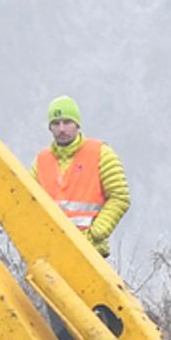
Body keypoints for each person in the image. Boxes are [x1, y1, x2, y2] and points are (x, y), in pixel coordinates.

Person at [33, 96, 131, 255]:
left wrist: (96, 233)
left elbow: (120, 196)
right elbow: (28, 201)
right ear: (50, 128)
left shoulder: (101, 153)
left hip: (90, 252)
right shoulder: (41, 161)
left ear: (77, 124)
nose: (62, 129)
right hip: (53, 252)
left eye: (67, 122)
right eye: (56, 123)